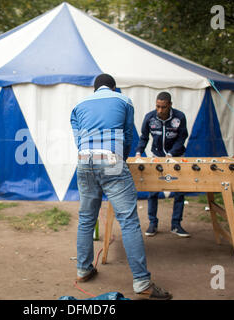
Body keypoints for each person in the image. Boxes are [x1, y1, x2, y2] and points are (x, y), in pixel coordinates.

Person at [70, 74, 172, 300]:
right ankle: (142, 282)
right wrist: (120, 159)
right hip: (111, 160)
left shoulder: (78, 105)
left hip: (84, 161)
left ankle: (83, 269)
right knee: (128, 221)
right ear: (114, 88)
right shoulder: (123, 101)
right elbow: (127, 136)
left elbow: (78, 140)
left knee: (86, 218)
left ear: (95, 89)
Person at [135, 92, 190, 238]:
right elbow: (144, 137)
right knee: (153, 191)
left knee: (179, 191)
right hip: (157, 157)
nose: (160, 110)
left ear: (170, 105)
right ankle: (153, 223)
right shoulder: (150, 117)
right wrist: (139, 152)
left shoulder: (180, 117)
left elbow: (182, 138)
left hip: (177, 157)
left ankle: (176, 225)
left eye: (163, 107)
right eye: (157, 106)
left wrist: (171, 154)